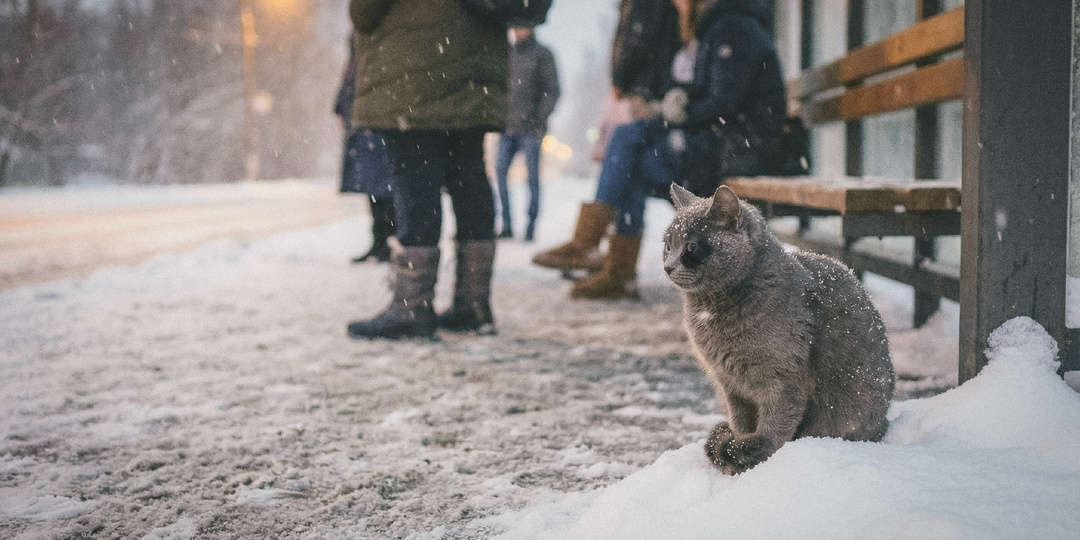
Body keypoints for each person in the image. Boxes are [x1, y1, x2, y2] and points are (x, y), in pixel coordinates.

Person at [531, 0, 786, 300]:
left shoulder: (735, 27)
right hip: (722, 144)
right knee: (631, 159)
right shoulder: (725, 26)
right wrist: (672, 102)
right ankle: (614, 271)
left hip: (740, 150)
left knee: (629, 140)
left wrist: (673, 112)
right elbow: (713, 94)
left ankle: (597, 251)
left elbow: (724, 103)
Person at [345, 0, 512, 339]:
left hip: (412, 71)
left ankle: (412, 306)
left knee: (415, 187)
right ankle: (474, 305)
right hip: (473, 72)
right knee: (469, 176)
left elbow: (364, 14)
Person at [494, 26, 560, 242]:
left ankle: (531, 225)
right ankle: (507, 224)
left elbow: (553, 90)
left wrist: (539, 120)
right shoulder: (506, 53)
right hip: (506, 128)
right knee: (500, 174)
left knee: (532, 179)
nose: (516, 31)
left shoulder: (542, 54)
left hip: (531, 130)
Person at [334, 32, 395, 264]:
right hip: (363, 110)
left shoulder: (378, 26)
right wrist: (342, 104)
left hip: (377, 109)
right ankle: (381, 241)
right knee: (373, 184)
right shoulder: (361, 30)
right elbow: (352, 67)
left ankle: (389, 240)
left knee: (384, 182)